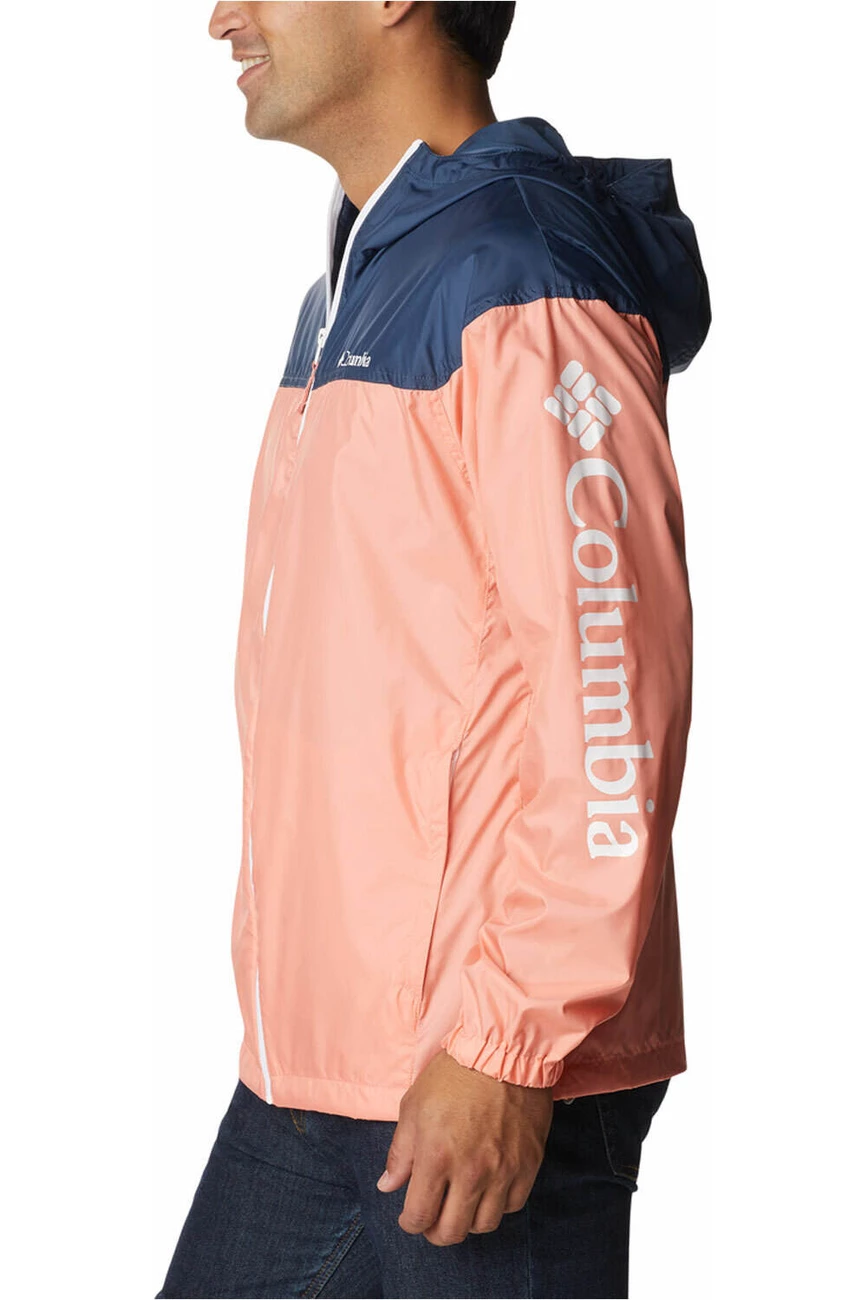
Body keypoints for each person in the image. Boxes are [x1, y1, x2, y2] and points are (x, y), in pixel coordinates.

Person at [155, 3, 711, 1296]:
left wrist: (510, 1042)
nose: (222, 15)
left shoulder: (521, 275)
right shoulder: (365, 277)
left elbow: (610, 683)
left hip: (482, 1075)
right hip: (320, 1073)